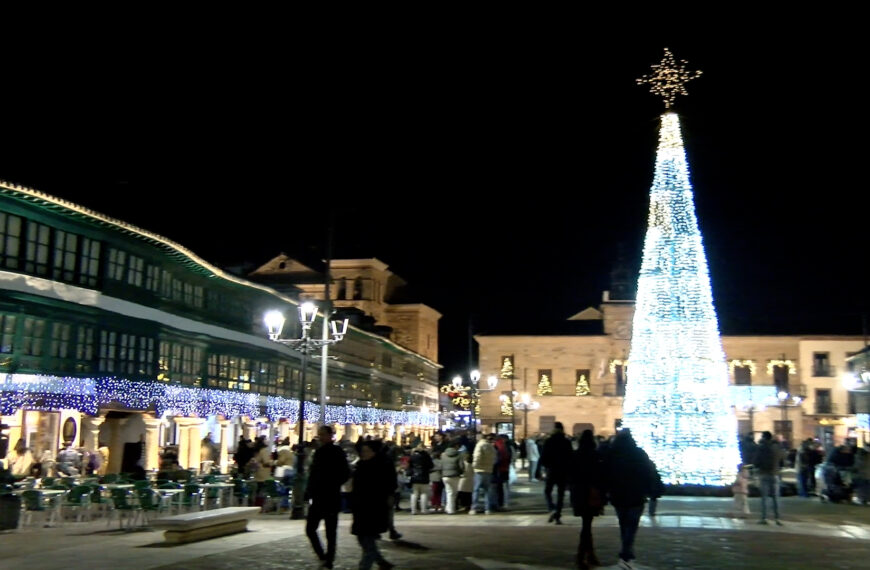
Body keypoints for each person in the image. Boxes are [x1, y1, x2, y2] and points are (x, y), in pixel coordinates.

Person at [604, 429, 659, 569]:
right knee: (632, 525)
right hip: (636, 494)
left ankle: (626, 550)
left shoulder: (612, 454)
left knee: (623, 524)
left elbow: (606, 474)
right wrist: (650, 489)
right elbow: (649, 471)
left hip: (618, 495)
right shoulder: (638, 453)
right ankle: (626, 552)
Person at [305, 426, 350, 569]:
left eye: (323, 435)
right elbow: (313, 474)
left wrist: (333, 483)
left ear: (331, 435)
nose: (321, 437)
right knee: (310, 529)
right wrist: (309, 491)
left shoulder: (337, 451)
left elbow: (345, 473)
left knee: (331, 531)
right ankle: (323, 556)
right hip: (319, 497)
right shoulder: (318, 452)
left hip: (330, 496)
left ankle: (329, 559)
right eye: (319, 435)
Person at [351, 439, 395, 569]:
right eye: (362, 451)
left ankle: (364, 567)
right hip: (360, 507)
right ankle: (381, 562)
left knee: (367, 540)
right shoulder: (361, 465)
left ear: (374, 452)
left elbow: (388, 485)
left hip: (373, 507)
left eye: (367, 451)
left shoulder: (381, 465)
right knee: (362, 538)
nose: (364, 454)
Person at [569, 429, 604, 569]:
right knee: (587, 525)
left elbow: (571, 474)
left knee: (586, 524)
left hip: (579, 493)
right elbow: (600, 476)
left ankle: (587, 554)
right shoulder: (596, 455)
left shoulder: (575, 455)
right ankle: (583, 555)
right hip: (592, 493)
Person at [541, 422, 573, 524]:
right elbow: (570, 457)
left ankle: (552, 508)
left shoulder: (549, 441)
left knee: (547, 491)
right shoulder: (566, 441)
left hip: (552, 469)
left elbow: (544, 456)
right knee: (561, 494)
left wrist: (545, 467)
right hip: (563, 471)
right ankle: (558, 515)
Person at [753, 431, 785, 525]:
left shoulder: (761, 448)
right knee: (775, 497)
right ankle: (777, 518)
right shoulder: (776, 447)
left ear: (764, 437)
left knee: (764, 497)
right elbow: (783, 457)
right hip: (774, 474)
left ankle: (764, 518)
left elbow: (756, 461)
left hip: (764, 474)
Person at [470, 433, 497, 515]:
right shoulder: (491, 447)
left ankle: (474, 508)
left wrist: (474, 467)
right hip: (489, 470)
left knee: (476, 490)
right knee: (487, 490)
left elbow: (477, 457)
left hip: (479, 470)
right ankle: (487, 508)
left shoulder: (479, 445)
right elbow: (495, 459)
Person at [440, 440, 465, 514]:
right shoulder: (459, 455)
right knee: (453, 493)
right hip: (454, 475)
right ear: (456, 446)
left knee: (448, 492)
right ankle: (451, 510)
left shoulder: (443, 454)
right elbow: (461, 466)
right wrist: (461, 472)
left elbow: (441, 465)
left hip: (445, 476)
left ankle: (448, 508)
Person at [408, 444, 434, 514]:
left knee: (414, 494)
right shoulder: (426, 456)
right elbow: (431, 465)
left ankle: (413, 510)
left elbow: (409, 466)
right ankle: (423, 509)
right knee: (424, 493)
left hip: (414, 477)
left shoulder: (412, 456)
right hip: (424, 476)